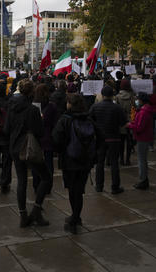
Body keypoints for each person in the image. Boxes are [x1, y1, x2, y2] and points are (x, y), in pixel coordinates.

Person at [5, 78, 51, 227]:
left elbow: (6, 129)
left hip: (15, 147)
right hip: (29, 148)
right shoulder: (32, 110)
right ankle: (36, 210)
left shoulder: (11, 106)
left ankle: (23, 215)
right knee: (46, 177)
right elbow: (40, 132)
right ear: (31, 92)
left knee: (22, 181)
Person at [53, 93, 98, 234]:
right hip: (85, 160)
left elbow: (57, 139)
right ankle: (76, 215)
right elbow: (100, 136)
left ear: (70, 104)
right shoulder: (89, 118)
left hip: (70, 160)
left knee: (73, 191)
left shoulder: (65, 120)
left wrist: (62, 150)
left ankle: (75, 218)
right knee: (79, 190)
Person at [90, 85, 127, 194]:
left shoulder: (95, 106)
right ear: (112, 95)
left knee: (100, 163)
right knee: (114, 163)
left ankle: (99, 186)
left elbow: (89, 119)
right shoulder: (117, 108)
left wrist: (96, 128)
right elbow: (123, 123)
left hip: (101, 138)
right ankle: (115, 186)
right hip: (114, 137)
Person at [128, 92, 154, 189]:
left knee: (141, 160)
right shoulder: (146, 110)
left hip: (142, 137)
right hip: (145, 137)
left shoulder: (144, 112)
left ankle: (143, 179)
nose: (137, 101)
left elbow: (139, 127)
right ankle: (144, 178)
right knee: (143, 159)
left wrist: (130, 125)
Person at [115, 79, 135, 165]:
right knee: (129, 142)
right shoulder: (132, 96)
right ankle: (128, 159)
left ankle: (121, 159)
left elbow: (115, 108)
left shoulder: (117, 96)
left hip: (120, 121)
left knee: (121, 142)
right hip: (129, 120)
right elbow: (134, 107)